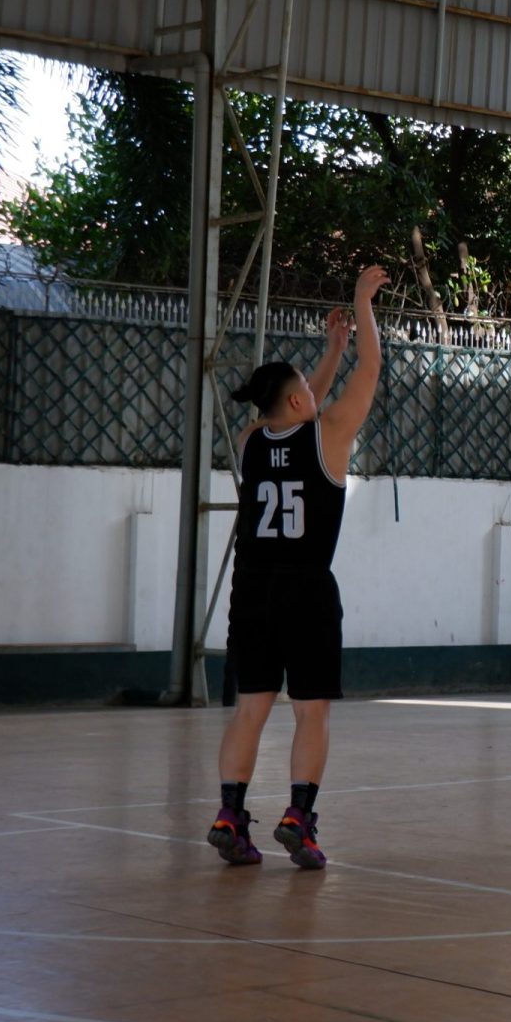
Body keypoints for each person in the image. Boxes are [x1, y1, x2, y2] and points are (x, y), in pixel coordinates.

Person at [207, 264, 389, 871]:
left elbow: (291, 402)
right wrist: (362, 305)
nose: (318, 395)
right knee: (311, 709)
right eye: (309, 391)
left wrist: (327, 351)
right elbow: (372, 370)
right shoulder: (331, 435)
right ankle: (298, 817)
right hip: (306, 589)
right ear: (296, 400)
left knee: (251, 705)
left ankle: (230, 813)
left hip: (251, 588)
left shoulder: (252, 438)